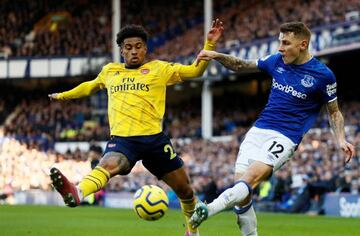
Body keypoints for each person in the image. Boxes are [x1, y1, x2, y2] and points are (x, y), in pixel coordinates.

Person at [48, 20, 223, 236]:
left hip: (155, 140)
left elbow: (196, 71)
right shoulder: (110, 71)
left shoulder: (160, 69)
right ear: (121, 51)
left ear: (145, 48)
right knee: (109, 164)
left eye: (138, 46)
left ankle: (192, 232)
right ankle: (77, 191)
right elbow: (89, 86)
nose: (134, 51)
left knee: (186, 191)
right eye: (128, 47)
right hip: (123, 140)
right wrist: (64, 95)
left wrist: (210, 44)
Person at [189, 22, 355, 235]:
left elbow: (334, 111)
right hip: (257, 131)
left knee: (249, 181)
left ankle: (207, 209)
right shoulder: (276, 61)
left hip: (285, 137)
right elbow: (241, 65)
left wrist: (340, 139)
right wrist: (216, 55)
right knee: (242, 196)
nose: (280, 48)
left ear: (303, 44)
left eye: (286, 43)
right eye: (280, 42)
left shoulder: (323, 76)